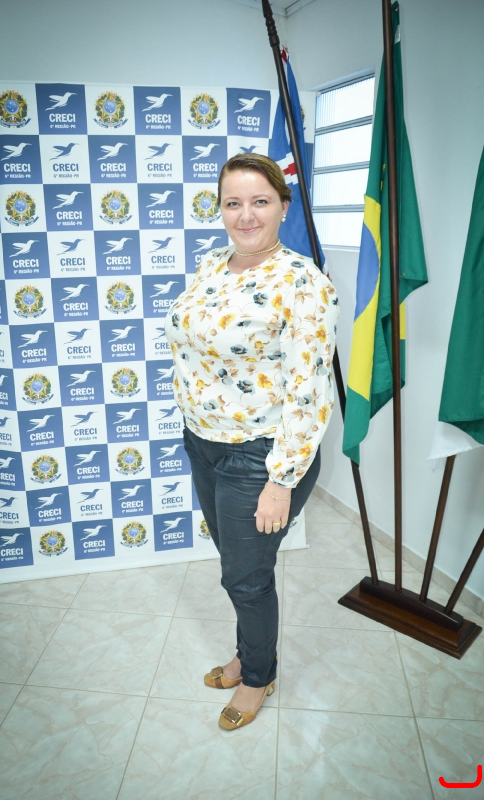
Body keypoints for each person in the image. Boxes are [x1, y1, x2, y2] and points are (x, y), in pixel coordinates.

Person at [164, 153, 339, 730]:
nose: (245, 215)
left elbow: (309, 392)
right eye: (232, 203)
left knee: (246, 577)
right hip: (204, 443)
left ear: (284, 208)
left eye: (260, 201)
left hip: (259, 456)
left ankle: (258, 675)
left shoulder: (304, 284)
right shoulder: (212, 264)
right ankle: (248, 654)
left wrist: (280, 480)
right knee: (237, 567)